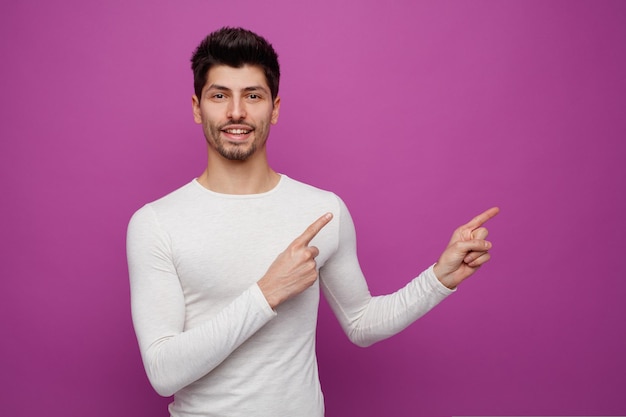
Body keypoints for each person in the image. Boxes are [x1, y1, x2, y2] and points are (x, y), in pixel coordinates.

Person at [126, 27, 499, 417]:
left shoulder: (322, 210)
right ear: (197, 107)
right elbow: (163, 372)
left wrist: (438, 279)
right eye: (220, 95)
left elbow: (361, 322)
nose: (236, 111)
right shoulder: (156, 223)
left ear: (275, 108)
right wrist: (266, 293)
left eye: (253, 96)